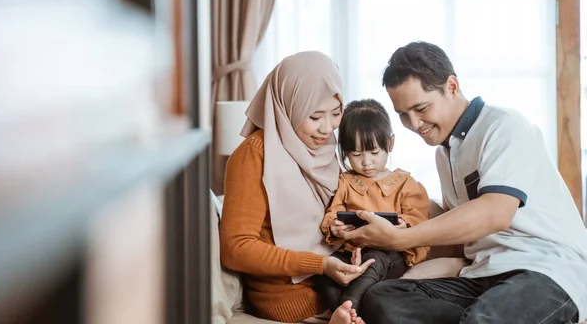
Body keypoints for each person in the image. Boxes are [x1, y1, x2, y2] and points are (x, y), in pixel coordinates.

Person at [342, 41, 587, 323]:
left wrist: (401, 238)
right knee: (381, 298)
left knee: (483, 317)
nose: (414, 124)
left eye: (421, 108)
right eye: (402, 115)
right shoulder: (444, 154)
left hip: (545, 268)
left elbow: (495, 213)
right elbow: (457, 228)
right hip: (484, 272)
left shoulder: (505, 126)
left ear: (452, 87)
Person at [220, 51, 372, 324]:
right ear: (287, 107)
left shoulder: (321, 148)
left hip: (336, 284)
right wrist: (320, 265)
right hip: (294, 298)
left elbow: (324, 223)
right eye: (314, 117)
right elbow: (236, 249)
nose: (327, 129)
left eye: (336, 113)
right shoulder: (254, 156)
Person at [316, 99, 430, 313]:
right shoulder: (346, 181)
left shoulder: (406, 183)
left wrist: (403, 225)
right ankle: (350, 313)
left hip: (389, 254)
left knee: (373, 260)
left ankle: (348, 310)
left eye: (374, 153)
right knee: (324, 270)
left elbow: (419, 219)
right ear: (345, 151)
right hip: (350, 250)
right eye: (356, 155)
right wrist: (335, 226)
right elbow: (333, 213)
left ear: (390, 143)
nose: (366, 162)